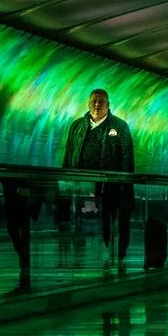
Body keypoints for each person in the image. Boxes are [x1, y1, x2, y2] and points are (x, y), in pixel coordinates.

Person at [65, 87, 136, 268]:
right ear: (88, 103)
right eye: (94, 101)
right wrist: (65, 181)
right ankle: (88, 259)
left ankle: (116, 255)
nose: (97, 105)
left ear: (108, 104)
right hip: (85, 187)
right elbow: (69, 154)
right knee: (87, 223)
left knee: (112, 221)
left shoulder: (120, 126)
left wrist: (125, 186)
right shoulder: (77, 126)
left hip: (112, 187)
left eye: (101, 101)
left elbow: (127, 159)